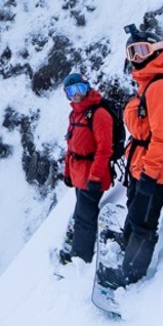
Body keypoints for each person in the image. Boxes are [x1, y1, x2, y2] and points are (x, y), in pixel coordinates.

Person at [119, 24, 163, 284]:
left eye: (141, 50)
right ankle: (126, 254)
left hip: (154, 170)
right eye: (132, 53)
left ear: (157, 50)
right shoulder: (149, 85)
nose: (136, 58)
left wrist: (149, 174)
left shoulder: (159, 88)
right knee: (136, 215)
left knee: (144, 223)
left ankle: (132, 276)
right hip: (143, 166)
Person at [58, 72, 116, 264]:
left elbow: (104, 149)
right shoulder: (75, 114)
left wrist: (95, 177)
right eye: (71, 91)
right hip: (79, 174)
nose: (76, 94)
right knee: (81, 212)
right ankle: (78, 250)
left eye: (80, 89)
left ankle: (81, 258)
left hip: (92, 174)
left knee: (85, 217)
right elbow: (71, 146)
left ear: (87, 88)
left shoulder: (99, 114)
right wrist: (68, 173)